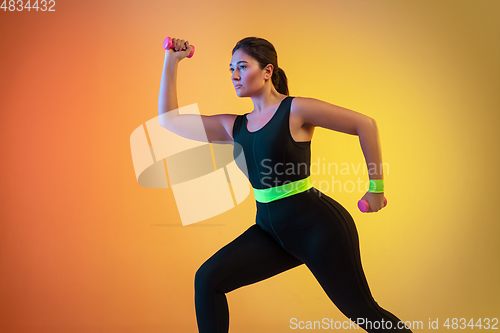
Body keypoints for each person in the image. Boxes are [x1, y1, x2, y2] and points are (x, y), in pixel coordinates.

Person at [158, 36, 413, 333]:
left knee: (364, 312)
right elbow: (168, 121)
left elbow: (364, 125)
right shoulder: (234, 126)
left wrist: (376, 188)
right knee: (207, 280)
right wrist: (171, 61)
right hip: (270, 232)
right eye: (231, 69)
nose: (235, 75)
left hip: (317, 230)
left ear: (267, 71)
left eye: (242, 66)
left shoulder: (295, 110)